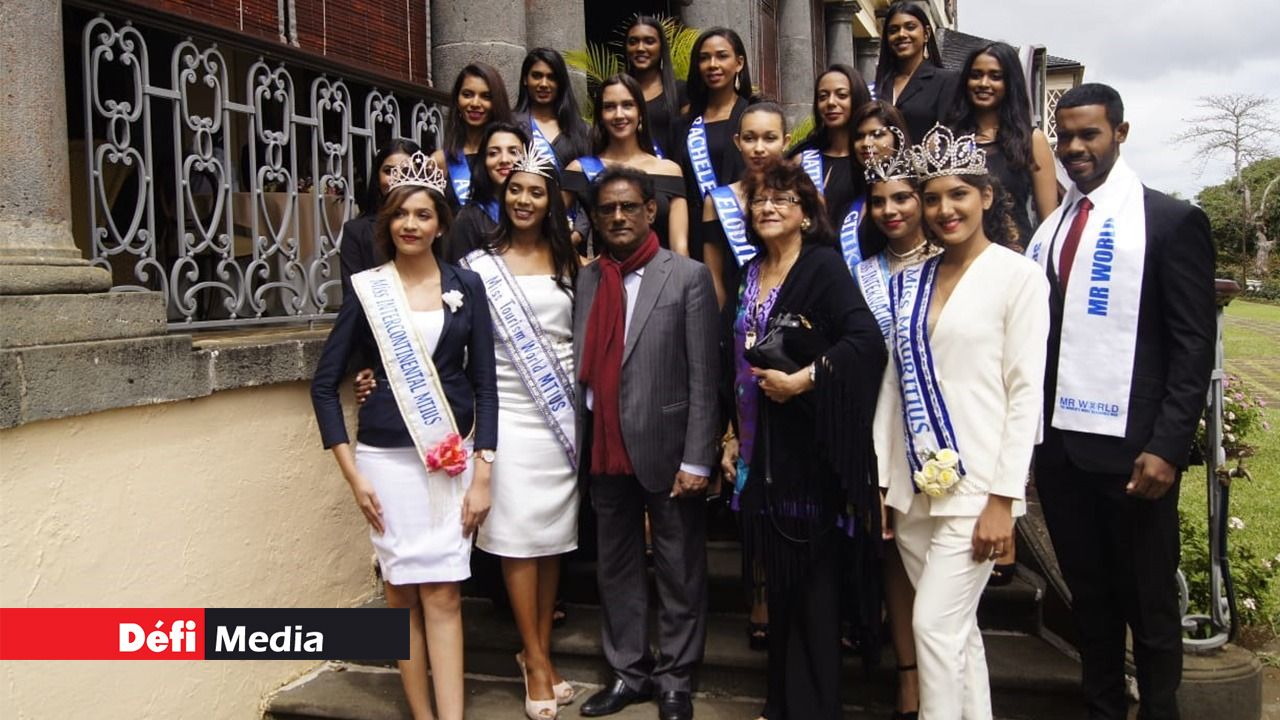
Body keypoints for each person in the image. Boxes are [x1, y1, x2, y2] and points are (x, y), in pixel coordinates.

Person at [1026, 83, 1215, 720]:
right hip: (1062, 453)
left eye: (1090, 134)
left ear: (1120, 133)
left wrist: (1168, 446)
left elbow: (1192, 345)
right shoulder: (1051, 228)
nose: (1074, 147)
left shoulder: (1168, 221)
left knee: (1149, 606)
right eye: (1065, 137)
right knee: (1091, 600)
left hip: (1135, 456)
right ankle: (1102, 707)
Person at [310, 152, 499, 720]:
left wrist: (483, 472)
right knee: (401, 597)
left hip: (449, 457)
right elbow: (324, 386)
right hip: (385, 463)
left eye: (422, 214)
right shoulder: (369, 290)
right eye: (399, 214)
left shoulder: (467, 285)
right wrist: (353, 476)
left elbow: (486, 385)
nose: (410, 225)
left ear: (440, 224)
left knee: (444, 593)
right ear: (386, 223)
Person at [874, 125, 1049, 720]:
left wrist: (1004, 499)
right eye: (932, 198)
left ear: (986, 196)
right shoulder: (908, 281)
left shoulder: (1018, 277)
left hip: (977, 489)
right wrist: (884, 480)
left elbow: (1025, 393)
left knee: (932, 627)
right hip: (914, 486)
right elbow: (894, 385)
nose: (944, 209)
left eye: (958, 195)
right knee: (956, 633)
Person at [719, 158, 886, 720]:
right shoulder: (750, 271)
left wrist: (804, 380)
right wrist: (731, 434)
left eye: (782, 199)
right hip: (759, 449)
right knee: (780, 591)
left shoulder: (823, 267)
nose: (767, 207)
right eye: (760, 199)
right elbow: (735, 361)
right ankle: (782, 704)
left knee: (813, 591)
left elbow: (866, 343)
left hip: (810, 452)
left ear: (807, 214)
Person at [574, 167, 719, 720]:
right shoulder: (588, 279)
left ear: (650, 211)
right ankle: (628, 673)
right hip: (605, 446)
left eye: (628, 207)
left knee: (679, 569)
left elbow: (704, 375)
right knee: (616, 567)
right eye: (607, 209)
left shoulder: (686, 276)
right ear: (595, 217)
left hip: (668, 447)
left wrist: (698, 458)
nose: (618, 217)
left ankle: (675, 679)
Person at [461, 144, 580, 720]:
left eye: (536, 191)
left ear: (550, 200)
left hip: (561, 418)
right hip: (505, 413)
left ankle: (540, 652)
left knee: (552, 540)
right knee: (516, 539)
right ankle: (533, 659)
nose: (524, 200)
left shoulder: (571, 260)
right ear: (503, 194)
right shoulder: (478, 265)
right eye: (516, 190)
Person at [855, 125, 937, 720]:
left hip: (942, 429)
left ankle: (944, 680)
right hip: (878, 428)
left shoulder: (951, 266)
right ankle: (909, 677)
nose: (890, 210)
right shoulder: (861, 272)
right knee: (895, 557)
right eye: (879, 200)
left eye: (902, 197)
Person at [945, 41, 1059, 250]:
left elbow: (1049, 222)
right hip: (958, 256)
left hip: (1014, 256)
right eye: (976, 75)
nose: (983, 83)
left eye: (995, 76)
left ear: (1010, 83)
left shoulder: (1032, 140)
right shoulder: (945, 140)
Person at [562, 74, 688, 257]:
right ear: (601, 116)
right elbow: (548, 226)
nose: (619, 114)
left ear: (640, 112)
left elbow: (680, 248)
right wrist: (581, 264)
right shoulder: (580, 169)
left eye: (627, 105)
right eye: (610, 107)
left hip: (663, 274)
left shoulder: (670, 171)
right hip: (605, 274)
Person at [700, 101, 789, 307]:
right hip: (739, 312)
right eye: (749, 138)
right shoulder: (717, 201)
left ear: (785, 142)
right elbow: (714, 276)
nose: (759, 148)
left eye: (770, 138)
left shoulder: (803, 195)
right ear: (737, 142)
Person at [787, 65, 874, 271]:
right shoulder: (801, 159)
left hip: (861, 268)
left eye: (841, 95)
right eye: (823, 97)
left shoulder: (871, 159)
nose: (831, 103)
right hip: (808, 266)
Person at [681, 27, 754, 259]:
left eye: (722, 56)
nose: (712, 65)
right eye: (704, 58)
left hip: (743, 230)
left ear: (739, 63)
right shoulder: (684, 122)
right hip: (695, 234)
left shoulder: (753, 115)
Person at [340, 139, 421, 297]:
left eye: (406, 171)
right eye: (389, 171)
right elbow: (352, 297)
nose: (397, 178)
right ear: (377, 178)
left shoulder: (434, 226)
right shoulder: (356, 232)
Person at [440, 122, 529, 263]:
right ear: (484, 161)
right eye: (493, 153)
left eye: (513, 152)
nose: (504, 160)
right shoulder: (469, 219)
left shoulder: (539, 212)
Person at [872, 2, 959, 145]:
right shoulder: (879, 84)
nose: (901, 34)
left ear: (926, 34)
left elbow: (950, 134)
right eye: (893, 30)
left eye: (910, 27)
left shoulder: (946, 81)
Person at [431, 62, 514, 211]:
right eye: (467, 95)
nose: (475, 103)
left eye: (486, 96)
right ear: (457, 100)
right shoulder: (440, 161)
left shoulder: (512, 157)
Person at [514, 47, 591, 171]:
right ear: (525, 79)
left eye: (552, 77)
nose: (544, 84)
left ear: (561, 83)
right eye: (537, 76)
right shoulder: (510, 123)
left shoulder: (582, 131)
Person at [623, 15, 687, 160]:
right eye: (633, 42)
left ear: (661, 47)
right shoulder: (616, 93)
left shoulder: (681, 91)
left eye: (649, 41)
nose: (640, 48)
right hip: (626, 171)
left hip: (669, 171)